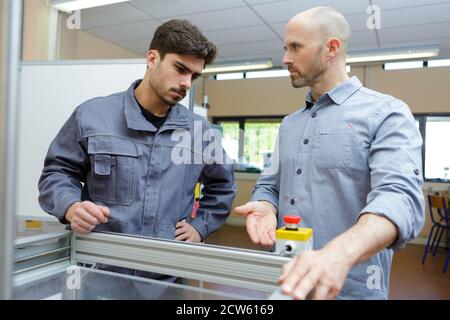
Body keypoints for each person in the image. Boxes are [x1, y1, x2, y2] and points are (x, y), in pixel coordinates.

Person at [235, 7, 424, 300]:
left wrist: (338, 254)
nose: (285, 58)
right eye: (285, 48)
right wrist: (265, 205)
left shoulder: (387, 113)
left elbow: (400, 199)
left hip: (350, 289)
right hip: (287, 280)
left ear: (331, 48)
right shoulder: (290, 124)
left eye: (295, 47)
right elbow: (270, 184)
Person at [38, 19, 236, 280]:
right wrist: (71, 206)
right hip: (97, 271)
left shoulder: (199, 133)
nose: (187, 83)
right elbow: (57, 172)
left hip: (166, 276)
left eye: (194, 75)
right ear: (152, 59)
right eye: (180, 69)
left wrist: (200, 226)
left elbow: (223, 186)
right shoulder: (92, 116)